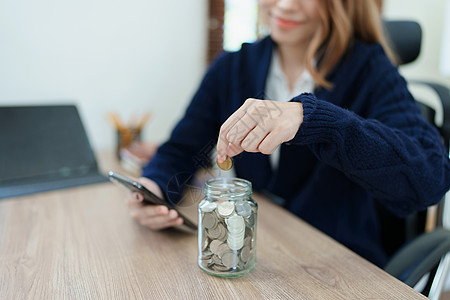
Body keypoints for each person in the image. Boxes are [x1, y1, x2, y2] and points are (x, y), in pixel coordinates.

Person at [125, 0, 450, 267]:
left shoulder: (371, 71)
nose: (283, 5)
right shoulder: (233, 67)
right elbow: (180, 151)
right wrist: (151, 188)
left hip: (337, 266)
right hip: (257, 255)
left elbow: (431, 177)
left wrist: (311, 119)